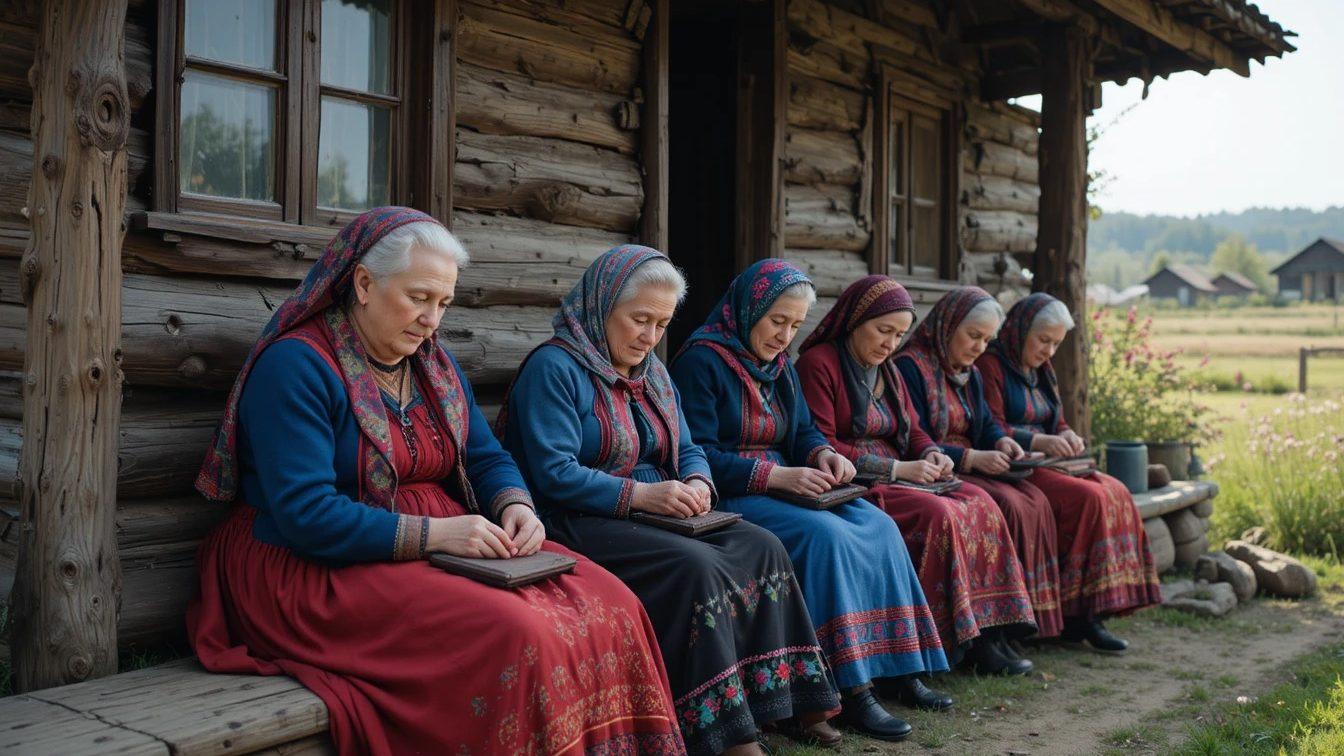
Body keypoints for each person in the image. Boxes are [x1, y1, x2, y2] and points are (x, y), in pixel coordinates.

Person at [187, 208, 682, 756]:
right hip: (312, 562)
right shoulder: (296, 367)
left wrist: (516, 505)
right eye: (419, 297)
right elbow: (306, 515)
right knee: (519, 632)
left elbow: (486, 457)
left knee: (611, 601)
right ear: (365, 283)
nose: (431, 319)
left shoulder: (434, 366)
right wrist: (437, 536)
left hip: (436, 538)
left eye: (442, 303)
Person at [498, 246, 840, 755]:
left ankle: (788, 701)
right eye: (639, 320)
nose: (650, 337)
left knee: (763, 545)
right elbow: (554, 474)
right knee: (696, 569)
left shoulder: (653, 373)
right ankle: (725, 732)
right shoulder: (555, 368)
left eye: (660, 324)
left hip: (659, 504)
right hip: (580, 514)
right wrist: (642, 494)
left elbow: (691, 447)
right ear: (601, 306)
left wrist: (699, 482)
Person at [669, 260, 950, 742]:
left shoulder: (779, 368)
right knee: (825, 537)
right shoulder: (702, 361)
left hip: (791, 481)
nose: (785, 336)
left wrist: (822, 454)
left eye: (795, 325)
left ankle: (899, 668)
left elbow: (802, 432)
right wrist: (775, 474)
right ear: (749, 308)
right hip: (738, 492)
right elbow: (697, 453)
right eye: (777, 321)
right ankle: (849, 689)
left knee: (878, 525)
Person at [797, 275, 1037, 675]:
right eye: (883, 331)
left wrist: (931, 452)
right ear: (856, 320)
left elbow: (913, 427)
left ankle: (987, 633)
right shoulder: (819, 363)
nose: (890, 343)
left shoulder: (887, 369)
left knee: (981, 502)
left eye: (899, 334)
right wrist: (898, 468)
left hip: (903, 473)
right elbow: (822, 443)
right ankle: (943, 641)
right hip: (858, 480)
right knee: (938, 514)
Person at [977, 293, 1162, 650]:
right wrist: (1042, 441)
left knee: (1117, 491)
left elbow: (1057, 420)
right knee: (1088, 498)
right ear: (1019, 331)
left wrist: (1065, 434)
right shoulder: (991, 365)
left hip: (1051, 462)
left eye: (1056, 343)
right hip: (1017, 465)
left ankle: (1094, 612)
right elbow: (992, 426)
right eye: (1043, 340)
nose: (1049, 350)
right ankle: (1076, 615)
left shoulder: (1042, 370)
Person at [893, 286, 1065, 647]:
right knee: (1005, 505)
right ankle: (985, 635)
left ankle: (1016, 625)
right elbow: (914, 436)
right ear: (948, 326)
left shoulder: (968, 372)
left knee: (1033, 499)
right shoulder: (912, 366)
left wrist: (1002, 441)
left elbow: (985, 424)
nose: (979, 347)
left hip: (973, 464)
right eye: (973, 336)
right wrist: (970, 458)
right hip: (943, 466)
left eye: (986, 340)